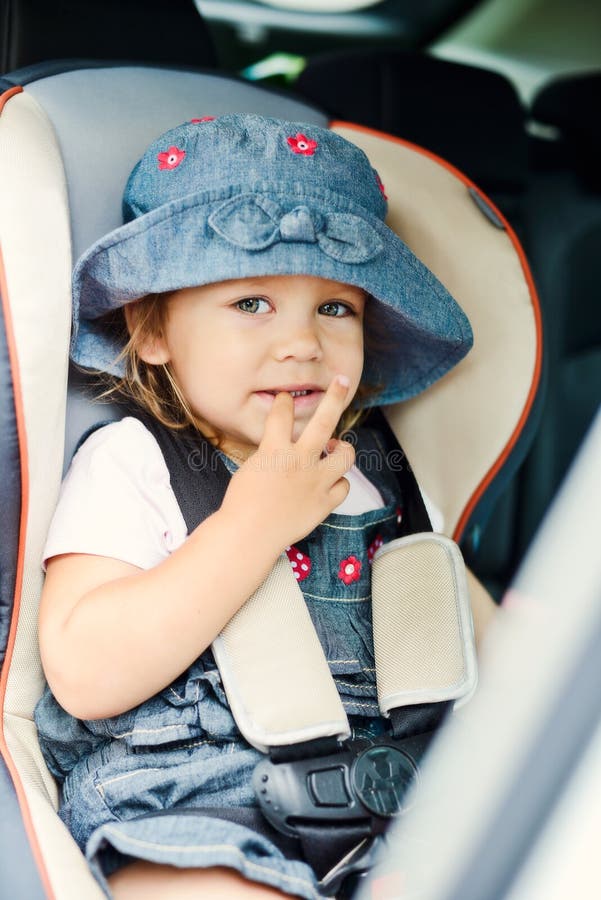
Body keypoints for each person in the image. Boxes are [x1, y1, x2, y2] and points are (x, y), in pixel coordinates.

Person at [34, 114, 497, 899]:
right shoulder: (134, 462)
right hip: (189, 799)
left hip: (390, 797)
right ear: (152, 330)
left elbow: (460, 629)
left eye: (335, 308)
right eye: (251, 302)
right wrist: (251, 526)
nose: (301, 342)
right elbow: (85, 674)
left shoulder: (374, 472)